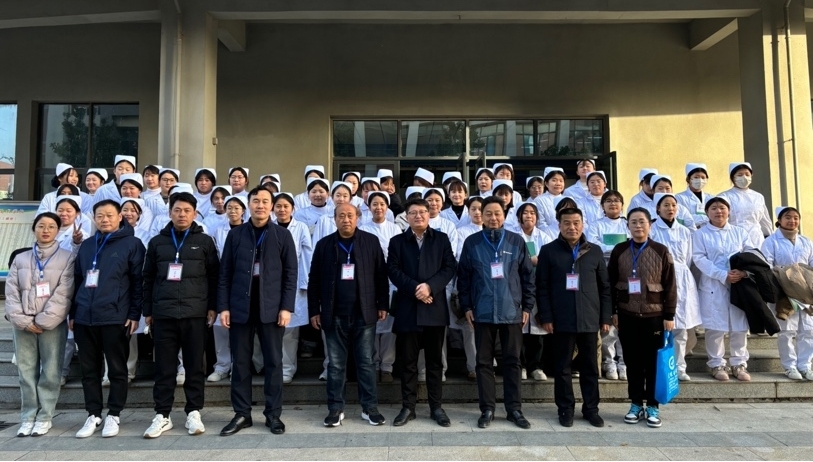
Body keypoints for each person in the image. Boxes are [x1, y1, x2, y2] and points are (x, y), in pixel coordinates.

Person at [218, 186, 297, 436]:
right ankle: (242, 414)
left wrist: (286, 307)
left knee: (274, 362)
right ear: (248, 204)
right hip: (240, 308)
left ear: (271, 206)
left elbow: (291, 274)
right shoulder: (236, 234)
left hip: (271, 309)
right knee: (240, 363)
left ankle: (273, 414)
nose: (260, 205)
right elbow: (225, 273)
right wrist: (224, 307)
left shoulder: (282, 235)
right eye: (255, 201)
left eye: (265, 201)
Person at [141, 191, 219, 438]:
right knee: (164, 368)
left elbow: (214, 277)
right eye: (177, 210)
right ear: (170, 212)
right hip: (164, 314)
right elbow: (148, 278)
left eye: (187, 210)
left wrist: (213, 306)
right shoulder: (157, 242)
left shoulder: (205, 241)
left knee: (195, 366)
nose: (182, 214)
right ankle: (162, 414)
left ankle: (193, 412)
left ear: (195, 214)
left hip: (195, 313)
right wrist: (148, 310)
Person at [308, 202, 389, 426]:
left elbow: (381, 276)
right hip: (334, 314)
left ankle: (369, 408)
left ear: (358, 218)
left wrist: (383, 304)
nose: (346, 219)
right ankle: (335, 408)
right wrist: (314, 310)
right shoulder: (324, 245)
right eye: (341, 216)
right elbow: (314, 280)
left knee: (366, 363)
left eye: (350, 215)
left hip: (364, 313)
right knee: (335, 365)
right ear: (334, 219)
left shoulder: (370, 242)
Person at [457, 197, 535, 429]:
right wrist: (466, 307)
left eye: (497, 213)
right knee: (483, 363)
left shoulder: (516, 240)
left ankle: (514, 409)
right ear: (481, 215)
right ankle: (487, 409)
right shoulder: (472, 242)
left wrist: (527, 307)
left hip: (511, 311)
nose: (493, 218)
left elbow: (528, 277)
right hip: (481, 312)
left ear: (504, 215)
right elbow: (464, 278)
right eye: (488, 213)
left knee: (512, 362)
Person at [71, 199, 145, 438]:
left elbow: (138, 282)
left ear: (120, 217)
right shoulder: (87, 245)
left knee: (116, 369)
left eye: (110, 215)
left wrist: (134, 313)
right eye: (100, 216)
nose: (104, 219)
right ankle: (93, 414)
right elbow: (77, 279)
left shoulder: (132, 244)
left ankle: (114, 413)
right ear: (94, 218)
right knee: (89, 371)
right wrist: (73, 313)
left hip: (115, 316)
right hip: (84, 317)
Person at [536, 207, 611, 428]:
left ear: (583, 224)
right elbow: (542, 287)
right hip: (561, 319)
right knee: (562, 367)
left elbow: (605, 287)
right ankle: (565, 409)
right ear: (559, 225)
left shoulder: (594, 251)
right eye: (567, 223)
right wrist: (546, 316)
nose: (572, 227)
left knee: (590, 367)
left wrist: (605, 317)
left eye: (576, 223)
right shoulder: (548, 251)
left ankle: (591, 409)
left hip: (589, 318)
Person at [387, 198, 457, 427]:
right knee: (408, 362)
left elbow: (449, 267)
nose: (418, 216)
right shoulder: (397, 241)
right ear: (406, 217)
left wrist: (430, 287)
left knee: (435, 362)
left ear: (429, 214)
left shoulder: (441, 239)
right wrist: (416, 289)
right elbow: (393, 270)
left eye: (423, 212)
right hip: (408, 308)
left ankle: (436, 407)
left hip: (434, 307)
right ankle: (408, 407)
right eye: (413, 212)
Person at [5, 212, 75, 437]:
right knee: (25, 372)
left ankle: (45, 416)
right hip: (23, 325)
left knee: (51, 371)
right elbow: (11, 293)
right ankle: (28, 417)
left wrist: (43, 321)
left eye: (51, 226)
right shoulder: (20, 258)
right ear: (33, 229)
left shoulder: (67, 258)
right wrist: (23, 321)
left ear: (58, 230)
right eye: (41, 226)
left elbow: (64, 293)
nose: (46, 230)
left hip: (51, 325)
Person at [608, 207, 677, 428]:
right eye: (634, 222)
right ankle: (636, 403)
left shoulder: (661, 250)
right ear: (627, 225)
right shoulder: (619, 250)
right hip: (627, 315)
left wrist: (669, 314)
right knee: (632, 362)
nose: (638, 226)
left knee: (652, 363)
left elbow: (670, 285)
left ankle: (653, 406)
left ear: (650, 224)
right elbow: (610, 284)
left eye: (642, 222)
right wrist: (613, 312)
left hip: (654, 316)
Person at [692, 197, 756, 381]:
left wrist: (743, 272)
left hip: (739, 283)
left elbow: (751, 254)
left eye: (722, 208)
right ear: (707, 212)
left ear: (729, 211)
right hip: (713, 284)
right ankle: (716, 363)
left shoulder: (739, 232)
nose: (718, 211)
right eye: (714, 208)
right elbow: (699, 258)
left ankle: (739, 363)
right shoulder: (701, 234)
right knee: (715, 327)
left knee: (739, 326)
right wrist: (721, 274)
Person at [649, 193, 701, 381]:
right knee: (659, 324)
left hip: (682, 277)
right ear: (658, 208)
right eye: (666, 205)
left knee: (681, 327)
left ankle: (679, 367)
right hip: (657, 277)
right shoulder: (652, 229)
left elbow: (688, 258)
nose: (670, 208)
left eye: (673, 205)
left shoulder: (685, 231)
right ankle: (658, 366)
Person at [761, 206, 813, 381]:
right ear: (779, 220)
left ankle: (805, 366)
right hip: (784, 290)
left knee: (808, 330)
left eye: (795, 217)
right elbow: (766, 264)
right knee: (787, 331)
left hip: (805, 291)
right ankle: (790, 366)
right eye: (788, 217)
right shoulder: (771, 242)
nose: (792, 221)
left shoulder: (806, 241)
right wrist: (785, 276)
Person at [359, 191, 403, 383]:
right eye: (374, 204)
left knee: (389, 327)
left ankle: (386, 366)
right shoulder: (362, 229)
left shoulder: (395, 229)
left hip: (392, 282)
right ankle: (372, 364)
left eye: (382, 204)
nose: (378, 207)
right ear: (369, 208)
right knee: (371, 325)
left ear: (387, 207)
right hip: (368, 283)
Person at [586, 191, 629, 381]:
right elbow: (594, 246)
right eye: (609, 201)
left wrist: (613, 250)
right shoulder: (596, 225)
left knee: (625, 321)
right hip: (604, 275)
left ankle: (624, 362)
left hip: (627, 275)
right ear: (602, 205)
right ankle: (609, 361)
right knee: (609, 321)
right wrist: (618, 249)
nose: (613, 204)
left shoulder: (627, 224)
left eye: (617, 201)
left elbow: (633, 243)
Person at [273, 192, 313, 384]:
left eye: (286, 206)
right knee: (271, 328)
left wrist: (305, 281)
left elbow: (307, 255)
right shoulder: (268, 226)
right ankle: (272, 366)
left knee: (290, 330)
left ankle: (288, 368)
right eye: (278, 206)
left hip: (294, 282)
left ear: (293, 209)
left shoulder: (301, 227)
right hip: (271, 283)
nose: (282, 210)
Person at [514, 202, 552, 381]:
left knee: (537, 330)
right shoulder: (513, 237)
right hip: (518, 286)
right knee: (519, 329)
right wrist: (530, 260)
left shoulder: (544, 237)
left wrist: (536, 261)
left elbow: (548, 260)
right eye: (525, 213)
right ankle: (520, 365)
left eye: (532, 213)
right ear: (519, 217)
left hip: (538, 286)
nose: (529, 216)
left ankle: (536, 366)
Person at [717, 162, 772, 247]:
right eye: (740, 175)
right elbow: (719, 220)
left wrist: (769, 237)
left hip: (756, 238)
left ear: (751, 176)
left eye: (747, 174)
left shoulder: (758, 196)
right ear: (732, 177)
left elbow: (764, 220)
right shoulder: (724, 196)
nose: (744, 177)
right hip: (734, 238)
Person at [676, 163, 714, 229]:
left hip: (709, 232)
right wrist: (706, 218)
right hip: (689, 232)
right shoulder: (679, 197)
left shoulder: (711, 198)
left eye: (703, 177)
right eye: (696, 177)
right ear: (688, 179)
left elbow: (716, 217)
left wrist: (694, 217)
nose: (700, 180)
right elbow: (682, 218)